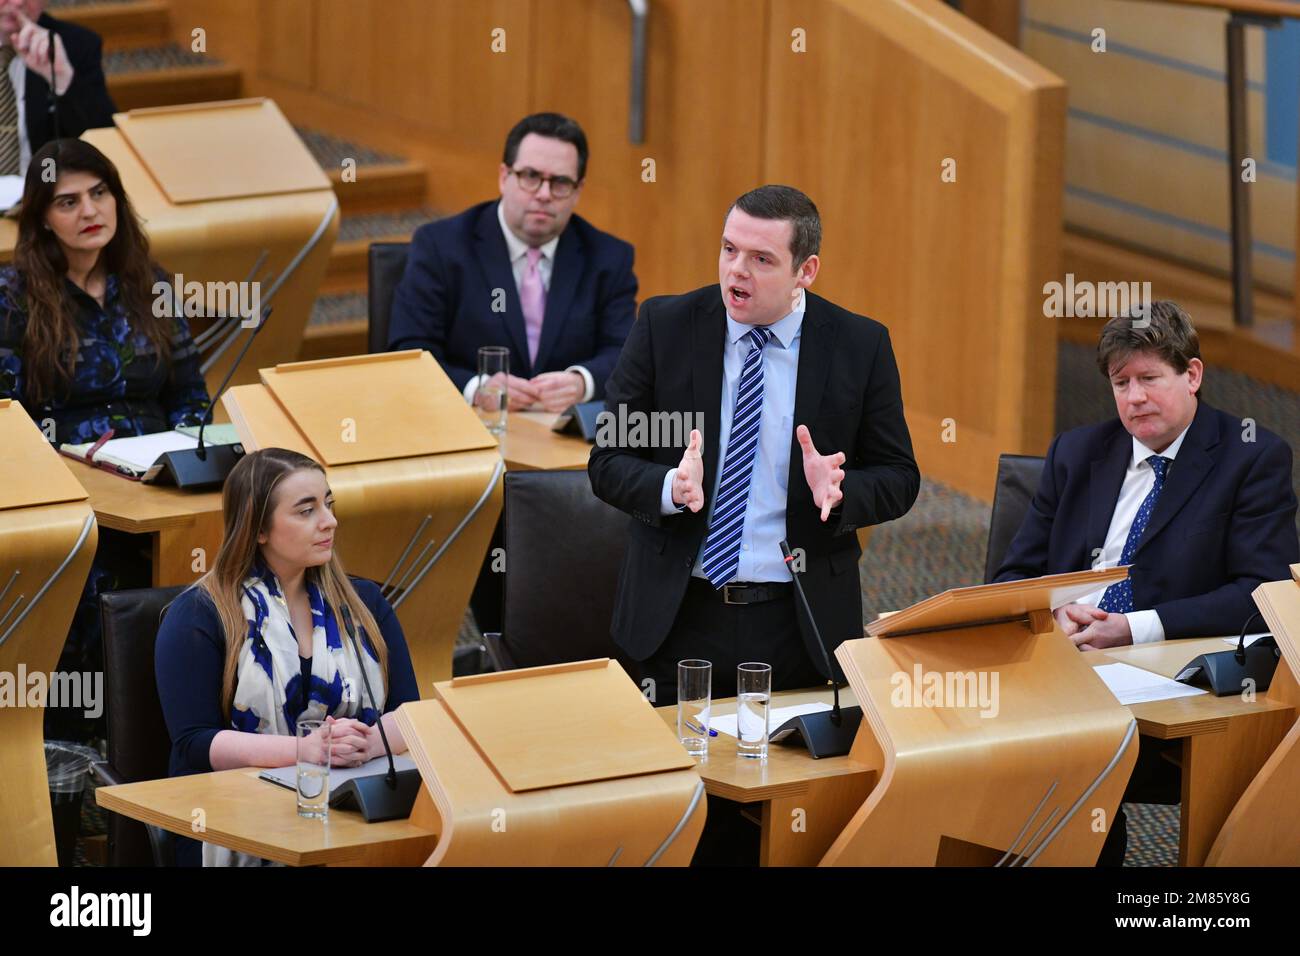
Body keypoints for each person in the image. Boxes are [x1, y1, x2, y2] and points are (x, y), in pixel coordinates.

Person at [589, 183, 920, 704]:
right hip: (678, 616)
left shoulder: (859, 345)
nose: (736, 270)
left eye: (761, 259)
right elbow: (607, 461)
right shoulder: (665, 327)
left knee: (791, 780)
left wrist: (840, 490)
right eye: (729, 250)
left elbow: (900, 478)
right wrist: (669, 487)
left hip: (796, 620)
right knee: (679, 779)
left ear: (804, 271)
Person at [994, 301, 1299, 864]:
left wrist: (1132, 628)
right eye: (1121, 383)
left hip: (1169, 683)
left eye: (1149, 379)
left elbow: (1265, 594)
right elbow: (1009, 578)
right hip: (1058, 663)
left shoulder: (1251, 458)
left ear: (1193, 375)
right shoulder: (1078, 452)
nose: (1134, 398)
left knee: (1063, 756)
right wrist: (1053, 614)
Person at [389, 112, 638, 634]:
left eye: (559, 183)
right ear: (504, 176)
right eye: (530, 177)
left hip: (560, 460)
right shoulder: (442, 246)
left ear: (578, 190)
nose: (543, 193)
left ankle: (553, 642)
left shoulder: (608, 258)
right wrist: (477, 387)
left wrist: (582, 381)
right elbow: (409, 350)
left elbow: (626, 349)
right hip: (466, 451)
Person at [0, 137, 210, 741]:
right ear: (41, 216)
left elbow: (190, 394)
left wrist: (186, 454)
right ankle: (83, 747)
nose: (89, 210)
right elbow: (9, 416)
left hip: (158, 482)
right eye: (67, 201)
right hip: (67, 491)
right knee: (99, 582)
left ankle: (174, 734)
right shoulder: (13, 300)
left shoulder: (151, 283)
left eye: (100, 193)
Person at [155, 448, 420, 866]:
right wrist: (307, 751)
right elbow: (195, 743)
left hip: (356, 804)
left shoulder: (364, 603)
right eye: (306, 511)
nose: (329, 521)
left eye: (328, 504)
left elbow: (412, 714)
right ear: (259, 529)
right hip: (235, 817)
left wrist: (366, 743)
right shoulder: (200, 615)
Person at [0, 0, 117, 175]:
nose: (18, 2)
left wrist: (63, 79)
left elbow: (102, 140)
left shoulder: (75, 45)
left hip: (43, 185)